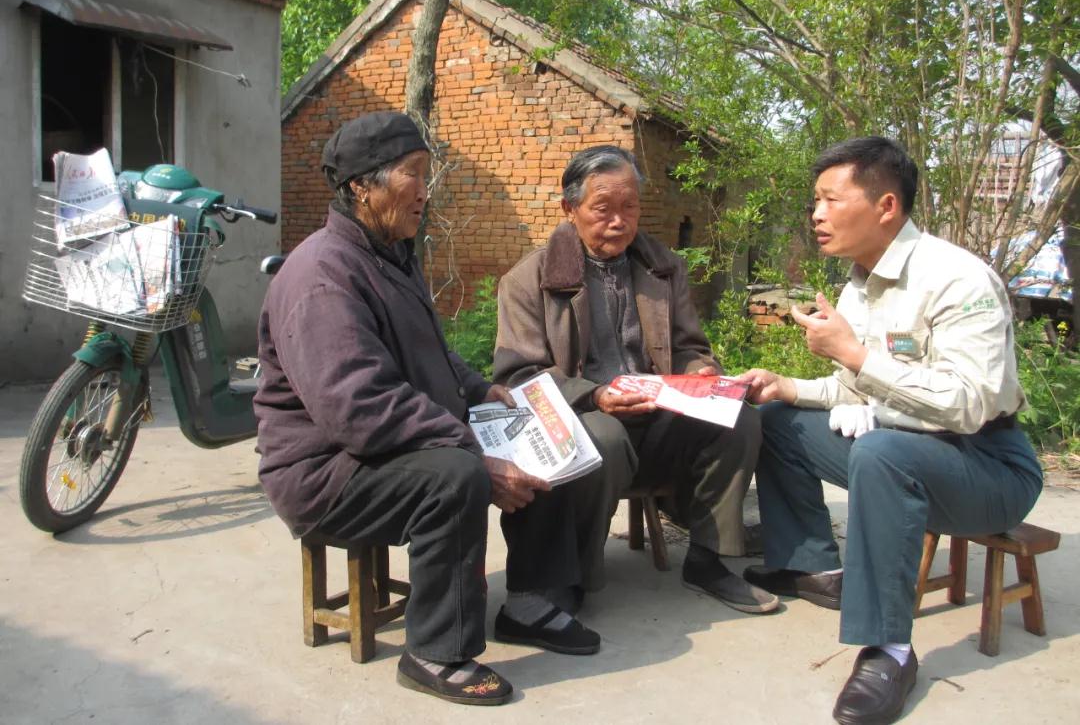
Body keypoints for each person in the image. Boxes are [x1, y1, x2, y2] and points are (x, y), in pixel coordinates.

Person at [739, 137, 1043, 725]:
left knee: (882, 452)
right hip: (906, 447)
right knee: (775, 422)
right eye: (815, 201)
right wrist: (787, 386)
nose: (817, 214)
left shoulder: (957, 279)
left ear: (886, 206)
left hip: (988, 466)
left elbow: (970, 405)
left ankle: (889, 650)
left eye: (831, 199)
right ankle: (816, 567)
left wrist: (855, 355)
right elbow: (858, 391)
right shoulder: (860, 284)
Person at [254, 111, 546, 706]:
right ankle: (435, 653)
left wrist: (479, 391)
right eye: (413, 173)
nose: (424, 191)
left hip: (375, 450)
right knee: (456, 477)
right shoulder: (321, 276)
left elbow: (430, 349)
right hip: (324, 472)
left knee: (530, 431)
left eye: (425, 174)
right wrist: (468, 447)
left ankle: (539, 597)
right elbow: (356, 408)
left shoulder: (391, 253)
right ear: (363, 186)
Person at [492, 145, 778, 655]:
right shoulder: (528, 279)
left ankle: (709, 558)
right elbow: (521, 376)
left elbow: (689, 346)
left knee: (738, 418)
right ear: (570, 208)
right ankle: (572, 576)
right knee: (603, 436)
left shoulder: (662, 267)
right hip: (584, 418)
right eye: (603, 209)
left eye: (630, 208)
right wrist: (597, 394)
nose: (619, 222)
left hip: (658, 415)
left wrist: (702, 373)